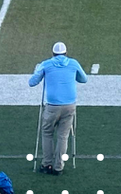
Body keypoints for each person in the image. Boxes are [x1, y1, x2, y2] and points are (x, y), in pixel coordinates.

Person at [29, 41, 88, 176]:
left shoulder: (46, 64)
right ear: (66, 53)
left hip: (52, 106)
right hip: (69, 105)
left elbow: (32, 82)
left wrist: (38, 71)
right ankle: (58, 166)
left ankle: (47, 163)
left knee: (47, 133)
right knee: (63, 136)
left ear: (53, 53)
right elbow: (83, 79)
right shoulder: (73, 63)